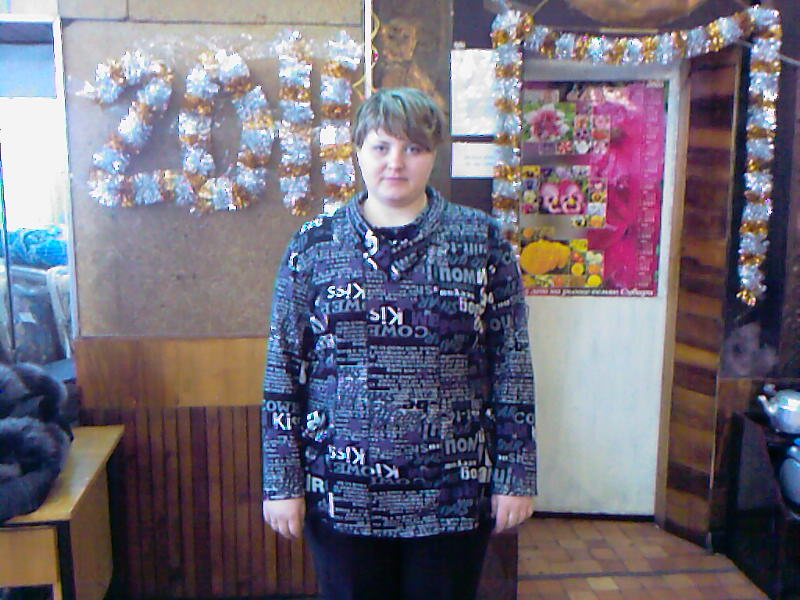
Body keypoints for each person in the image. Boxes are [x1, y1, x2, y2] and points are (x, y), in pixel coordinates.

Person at [262, 87, 536, 600]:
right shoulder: (314, 245)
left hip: (452, 491)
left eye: (413, 148)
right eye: (382, 147)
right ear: (358, 151)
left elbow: (511, 364)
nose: (396, 162)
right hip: (341, 491)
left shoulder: (482, 242)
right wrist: (282, 482)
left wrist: (516, 475)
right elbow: (284, 367)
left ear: (433, 154)